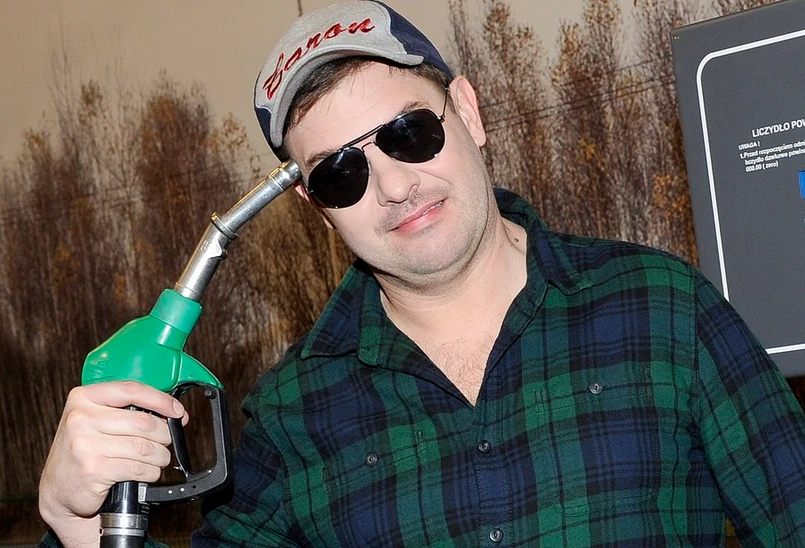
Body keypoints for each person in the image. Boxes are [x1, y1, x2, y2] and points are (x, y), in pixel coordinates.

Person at [39, 1, 805, 546]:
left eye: (408, 133)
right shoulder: (293, 414)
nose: (394, 186)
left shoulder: (661, 308)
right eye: (340, 173)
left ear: (466, 111)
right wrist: (78, 525)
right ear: (315, 207)